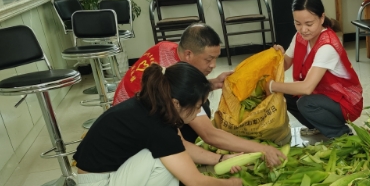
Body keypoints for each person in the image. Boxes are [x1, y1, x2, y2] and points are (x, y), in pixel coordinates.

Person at [75, 62, 243, 186]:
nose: (199, 111)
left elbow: (181, 146)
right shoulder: (157, 126)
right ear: (176, 103)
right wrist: (229, 184)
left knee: (172, 153)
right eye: (198, 106)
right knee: (160, 159)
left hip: (100, 182)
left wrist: (221, 159)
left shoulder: (151, 105)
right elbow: (198, 185)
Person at [113, 23, 285, 167]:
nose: (213, 65)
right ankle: (176, 159)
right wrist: (262, 149)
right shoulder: (172, 79)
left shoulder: (165, 48)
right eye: (208, 59)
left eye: (216, 59)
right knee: (200, 106)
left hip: (122, 113)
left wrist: (213, 83)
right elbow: (209, 135)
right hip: (132, 140)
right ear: (188, 54)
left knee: (200, 99)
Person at [266, 0, 363, 139]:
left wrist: (272, 86)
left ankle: (341, 133)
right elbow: (285, 64)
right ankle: (317, 126)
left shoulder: (327, 46)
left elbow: (306, 87)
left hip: (346, 103)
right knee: (286, 93)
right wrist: (277, 56)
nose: (303, 29)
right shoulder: (301, 36)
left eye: (309, 24)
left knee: (305, 101)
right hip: (324, 95)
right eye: (297, 23)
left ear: (322, 18)